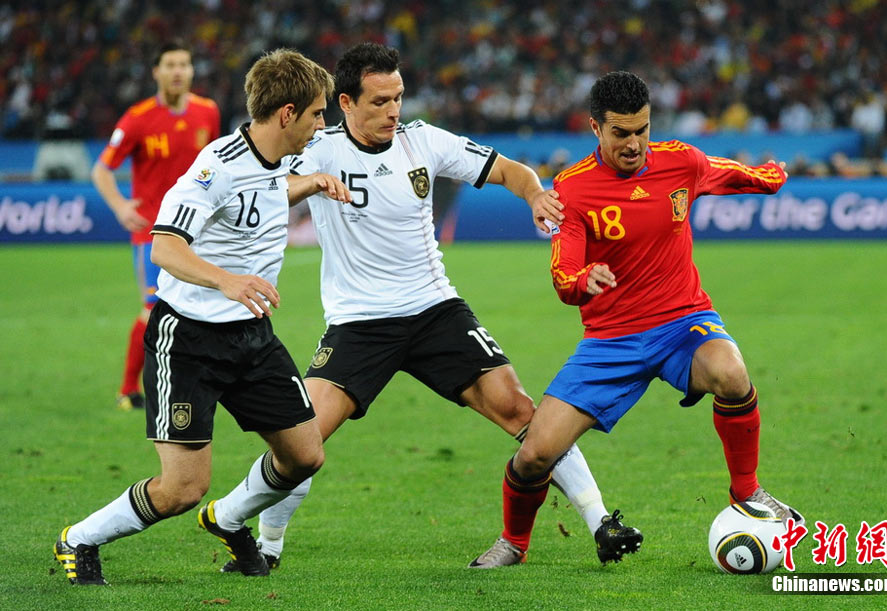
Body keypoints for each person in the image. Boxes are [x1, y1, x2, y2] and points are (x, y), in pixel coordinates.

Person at [215, 42, 641, 573]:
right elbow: (258, 189)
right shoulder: (318, 148)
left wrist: (534, 195)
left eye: (398, 97)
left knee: (518, 408)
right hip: (359, 323)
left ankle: (601, 522)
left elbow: (509, 170)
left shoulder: (423, 140)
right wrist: (311, 183)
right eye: (379, 101)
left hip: (434, 310)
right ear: (345, 103)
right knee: (303, 437)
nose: (393, 110)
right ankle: (265, 543)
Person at [471, 70, 805, 568]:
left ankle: (748, 492)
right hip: (611, 342)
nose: (634, 144)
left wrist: (769, 178)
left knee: (731, 372)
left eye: (642, 130)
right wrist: (583, 280)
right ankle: (514, 543)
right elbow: (563, 275)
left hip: (682, 324)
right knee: (536, 453)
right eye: (621, 133)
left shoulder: (680, 161)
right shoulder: (573, 189)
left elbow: (729, 173)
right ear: (595, 128)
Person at [53, 49, 351, 585]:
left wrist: (309, 184)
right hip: (188, 340)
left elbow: (263, 194)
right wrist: (226, 280)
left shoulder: (279, 162)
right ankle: (79, 538)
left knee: (305, 455)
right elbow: (164, 247)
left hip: (252, 336)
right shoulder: (216, 167)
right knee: (182, 489)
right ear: (287, 114)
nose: (321, 124)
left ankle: (229, 519)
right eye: (315, 114)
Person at [91, 40, 221, 411]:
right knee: (153, 307)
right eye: (170, 65)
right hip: (154, 232)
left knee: (202, 306)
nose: (178, 71)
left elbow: (216, 164)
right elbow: (101, 170)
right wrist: (120, 206)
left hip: (199, 229)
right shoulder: (138, 118)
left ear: (192, 71)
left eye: (184, 64)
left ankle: (198, 381)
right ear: (156, 72)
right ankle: (129, 389)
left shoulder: (208, 112)